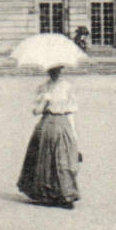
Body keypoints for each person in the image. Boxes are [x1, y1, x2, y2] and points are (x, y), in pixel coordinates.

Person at [17, 65, 81, 210]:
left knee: (63, 161)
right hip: (46, 124)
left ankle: (66, 195)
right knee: (43, 160)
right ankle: (45, 194)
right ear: (48, 71)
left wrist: (74, 133)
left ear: (61, 70)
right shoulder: (43, 88)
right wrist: (45, 100)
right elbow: (35, 111)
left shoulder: (67, 87)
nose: (55, 73)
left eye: (57, 70)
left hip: (62, 124)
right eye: (52, 70)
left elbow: (71, 112)